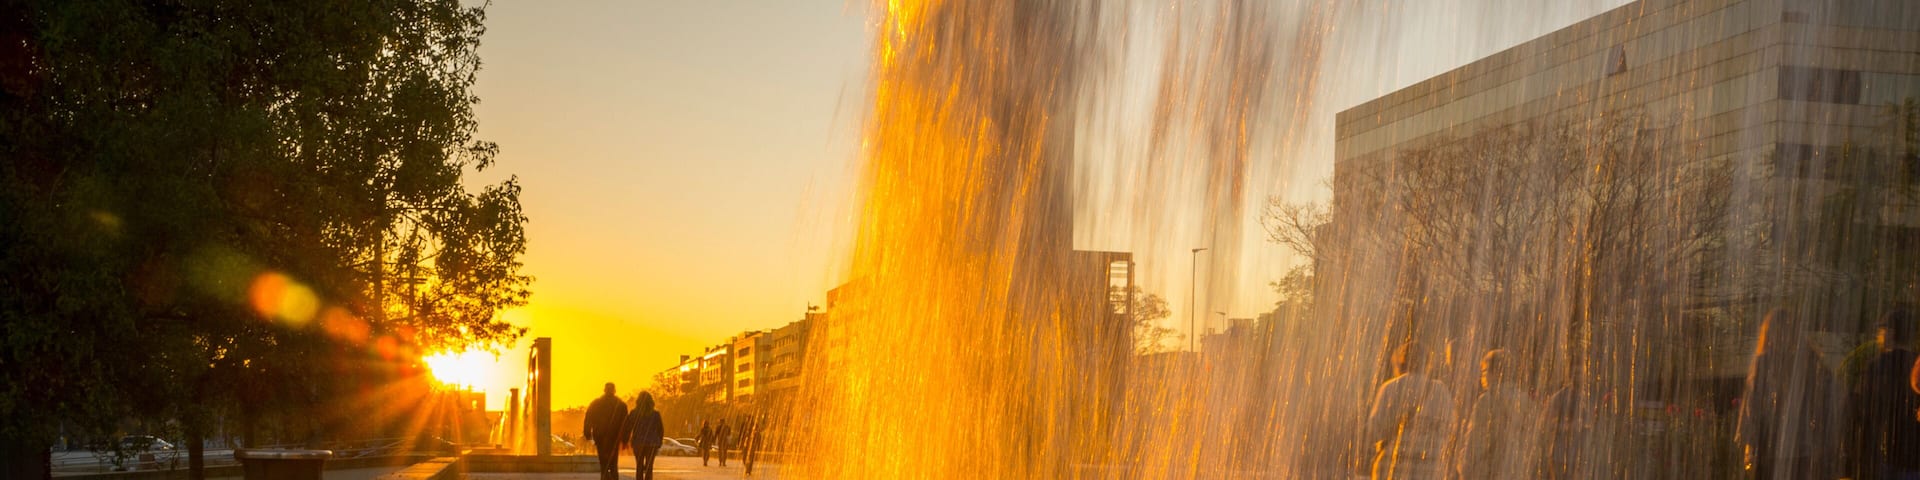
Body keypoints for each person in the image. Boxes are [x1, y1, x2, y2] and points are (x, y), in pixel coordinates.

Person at [1738, 309, 1845, 480]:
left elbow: (1752, 404)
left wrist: (1750, 444)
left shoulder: (1803, 361)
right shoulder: (1805, 361)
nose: (1782, 337)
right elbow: (1753, 404)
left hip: (1786, 447)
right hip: (1790, 447)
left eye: (1785, 332)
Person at [1365, 342, 1455, 480]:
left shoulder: (1390, 388)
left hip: (1395, 465)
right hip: (1430, 466)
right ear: (1427, 363)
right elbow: (1450, 428)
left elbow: (1375, 429)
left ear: (1401, 361)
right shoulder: (1440, 390)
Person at [1851, 309, 1920, 480]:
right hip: (1916, 455)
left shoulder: (1876, 366)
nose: (1878, 336)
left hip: (1885, 452)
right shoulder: (1917, 365)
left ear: (1891, 333)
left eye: (1881, 331)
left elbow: (1859, 408)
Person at [1457, 349, 1539, 480]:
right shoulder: (1526, 402)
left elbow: (1475, 444)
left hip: (1490, 472)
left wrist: (1464, 470)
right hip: (1518, 472)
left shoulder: (1487, 400)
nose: (1482, 378)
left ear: (1495, 373)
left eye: (1484, 372)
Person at [583, 382, 628, 480]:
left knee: (603, 464)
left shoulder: (596, 403)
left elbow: (588, 418)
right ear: (614, 391)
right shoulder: (621, 405)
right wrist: (625, 439)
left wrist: (587, 434)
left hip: (600, 437)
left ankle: (604, 477)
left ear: (604, 390)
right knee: (613, 464)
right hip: (614, 438)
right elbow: (625, 424)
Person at [623, 392, 665, 480]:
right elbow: (660, 429)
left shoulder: (634, 413)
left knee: (639, 466)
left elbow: (628, 427)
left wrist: (625, 440)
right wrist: (659, 441)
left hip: (638, 443)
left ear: (638, 401)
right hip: (652, 443)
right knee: (649, 467)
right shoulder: (655, 414)